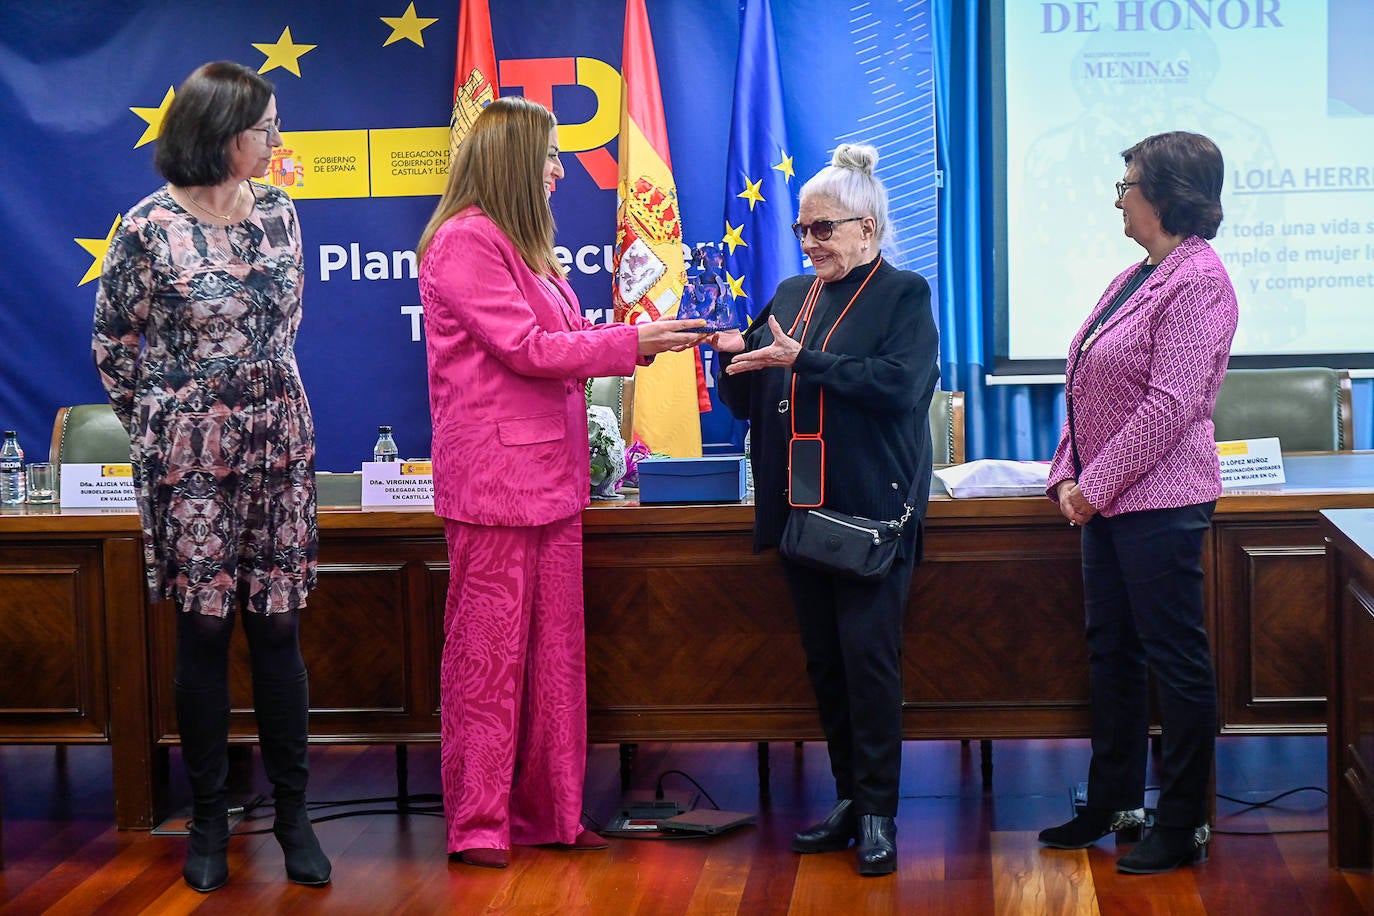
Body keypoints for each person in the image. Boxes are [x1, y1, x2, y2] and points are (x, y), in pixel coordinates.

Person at [416, 95, 704, 869]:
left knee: (552, 662)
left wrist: (634, 342)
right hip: (495, 487)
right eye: (547, 155)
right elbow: (528, 349)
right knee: (489, 660)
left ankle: (550, 812)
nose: (558, 170)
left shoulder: (522, 244)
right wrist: (631, 341)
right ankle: (480, 822)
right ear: (512, 161)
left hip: (550, 479)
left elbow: (565, 339)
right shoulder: (464, 243)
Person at [92, 61, 330, 892]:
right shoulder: (147, 227)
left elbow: (287, 324)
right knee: (203, 632)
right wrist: (166, 427)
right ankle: (209, 823)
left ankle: (294, 818)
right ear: (219, 132)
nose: (275, 140)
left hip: (279, 446)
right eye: (265, 127)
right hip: (190, 457)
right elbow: (114, 347)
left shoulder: (281, 213)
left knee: (276, 630)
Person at [707, 144, 939, 877]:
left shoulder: (904, 295)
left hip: (868, 513)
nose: (810, 243)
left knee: (871, 667)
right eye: (804, 230)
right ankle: (848, 799)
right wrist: (727, 359)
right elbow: (751, 400)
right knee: (826, 666)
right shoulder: (787, 296)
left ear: (867, 229)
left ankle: (879, 813)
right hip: (798, 509)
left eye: (825, 229)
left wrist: (799, 361)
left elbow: (899, 387)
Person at [1037, 131, 1237, 874]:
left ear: (1165, 193)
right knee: (1110, 654)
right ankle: (1114, 801)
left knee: (1176, 661)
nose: (1118, 195)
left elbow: (1170, 407)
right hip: (1111, 504)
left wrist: (1095, 485)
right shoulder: (1135, 275)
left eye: (1127, 182)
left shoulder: (1201, 281)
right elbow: (1085, 381)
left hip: (1161, 504)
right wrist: (1066, 473)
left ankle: (1183, 821)